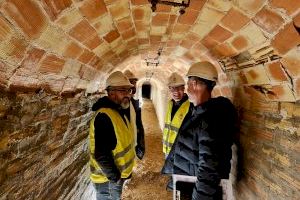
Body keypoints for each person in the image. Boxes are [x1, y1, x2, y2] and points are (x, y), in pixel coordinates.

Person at [161, 61, 237, 200]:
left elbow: (209, 168)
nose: (186, 90)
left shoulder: (210, 120)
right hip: (189, 182)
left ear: (194, 84)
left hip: (197, 190)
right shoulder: (198, 113)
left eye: (187, 84)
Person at [89, 71, 136, 200]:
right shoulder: (104, 116)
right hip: (107, 181)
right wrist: (116, 178)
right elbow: (101, 155)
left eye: (128, 90)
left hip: (114, 178)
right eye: (123, 90)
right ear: (111, 93)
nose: (127, 94)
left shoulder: (118, 111)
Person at [163, 72, 191, 158]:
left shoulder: (191, 106)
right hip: (167, 150)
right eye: (172, 88)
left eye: (179, 88)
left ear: (184, 88)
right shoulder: (170, 104)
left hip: (181, 154)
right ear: (169, 89)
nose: (176, 92)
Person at [124, 69, 145, 160]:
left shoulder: (133, 102)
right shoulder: (122, 105)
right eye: (130, 82)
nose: (133, 85)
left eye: (134, 82)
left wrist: (140, 145)